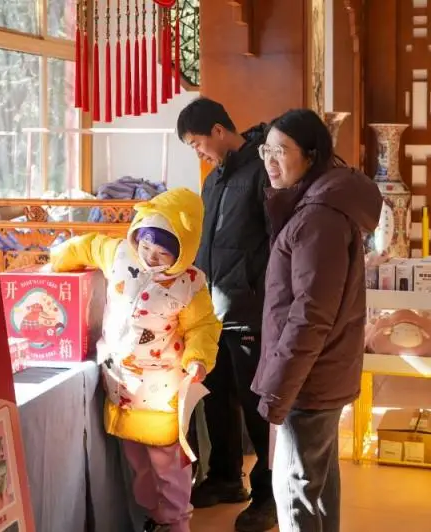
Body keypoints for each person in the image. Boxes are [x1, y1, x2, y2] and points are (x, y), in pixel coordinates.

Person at [48, 187, 222, 532]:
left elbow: (203, 326)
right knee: (136, 458)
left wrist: (198, 358)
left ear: (182, 252)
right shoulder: (119, 254)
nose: (150, 257)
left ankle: (176, 521)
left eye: (161, 254)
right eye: (145, 247)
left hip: (162, 389)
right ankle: (153, 516)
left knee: (166, 460)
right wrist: (56, 260)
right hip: (121, 383)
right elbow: (86, 246)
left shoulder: (190, 284)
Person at [251, 108, 382, 532]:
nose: (271, 161)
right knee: (317, 486)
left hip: (309, 378)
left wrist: (278, 388)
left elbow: (311, 316)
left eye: (281, 151)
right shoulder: (317, 206)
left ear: (310, 156)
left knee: (294, 491)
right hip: (319, 372)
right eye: (265, 150)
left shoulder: (317, 218)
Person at [176, 97, 275, 532]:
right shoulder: (215, 179)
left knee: (256, 405)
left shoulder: (262, 171)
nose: (199, 153)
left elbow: (275, 241)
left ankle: (269, 493)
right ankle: (224, 477)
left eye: (198, 144)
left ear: (219, 131)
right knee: (214, 394)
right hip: (214, 309)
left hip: (250, 308)